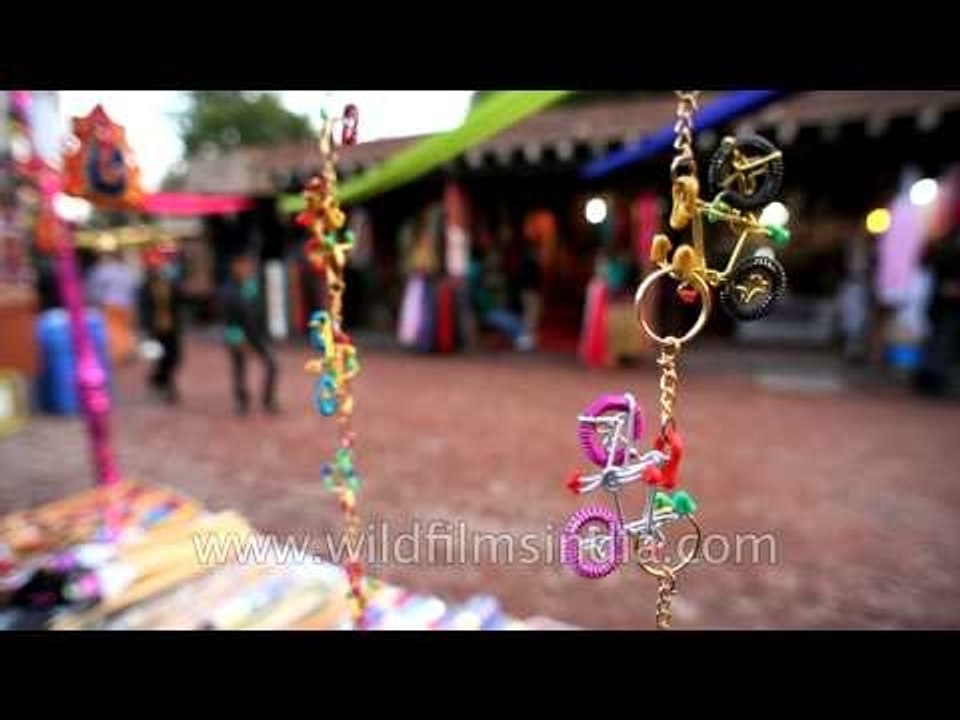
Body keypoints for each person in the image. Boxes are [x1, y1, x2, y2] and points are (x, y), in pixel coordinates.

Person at [219, 251, 279, 415]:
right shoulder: (228, 289)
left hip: (255, 335)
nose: (247, 268)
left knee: (272, 364)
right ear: (235, 267)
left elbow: (259, 310)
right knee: (239, 369)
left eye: (248, 265)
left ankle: (268, 400)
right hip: (236, 335)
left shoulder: (251, 286)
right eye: (243, 265)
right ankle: (241, 401)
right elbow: (228, 319)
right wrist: (237, 339)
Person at [914, 227, 960, 396]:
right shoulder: (949, 254)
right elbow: (947, 285)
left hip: (940, 306)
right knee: (940, 342)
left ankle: (930, 378)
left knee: (938, 342)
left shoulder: (942, 252)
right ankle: (932, 379)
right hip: (946, 307)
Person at [138, 247, 183, 404]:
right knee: (161, 358)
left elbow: (177, 302)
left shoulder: (169, 283)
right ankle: (169, 387)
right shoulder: (145, 287)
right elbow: (143, 309)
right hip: (156, 328)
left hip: (171, 327)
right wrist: (145, 328)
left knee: (175, 357)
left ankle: (159, 379)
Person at [86, 250, 137, 364]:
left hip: (110, 305)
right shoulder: (124, 270)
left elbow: (93, 290)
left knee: (113, 331)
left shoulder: (101, 271)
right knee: (124, 329)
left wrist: (96, 301)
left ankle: (118, 354)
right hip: (125, 304)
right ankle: (126, 352)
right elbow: (132, 286)